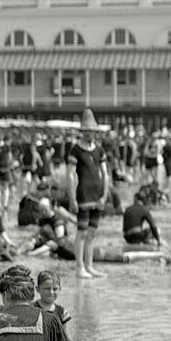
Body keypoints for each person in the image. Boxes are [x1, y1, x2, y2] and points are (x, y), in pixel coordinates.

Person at [67, 112, 111, 278]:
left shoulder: (99, 150)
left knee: (92, 232)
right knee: (82, 231)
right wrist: (72, 198)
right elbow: (70, 175)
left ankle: (89, 265)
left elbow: (105, 174)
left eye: (91, 131)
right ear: (82, 132)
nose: (89, 133)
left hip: (97, 193)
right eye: (86, 131)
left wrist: (105, 194)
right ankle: (79, 267)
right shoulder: (76, 150)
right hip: (83, 194)